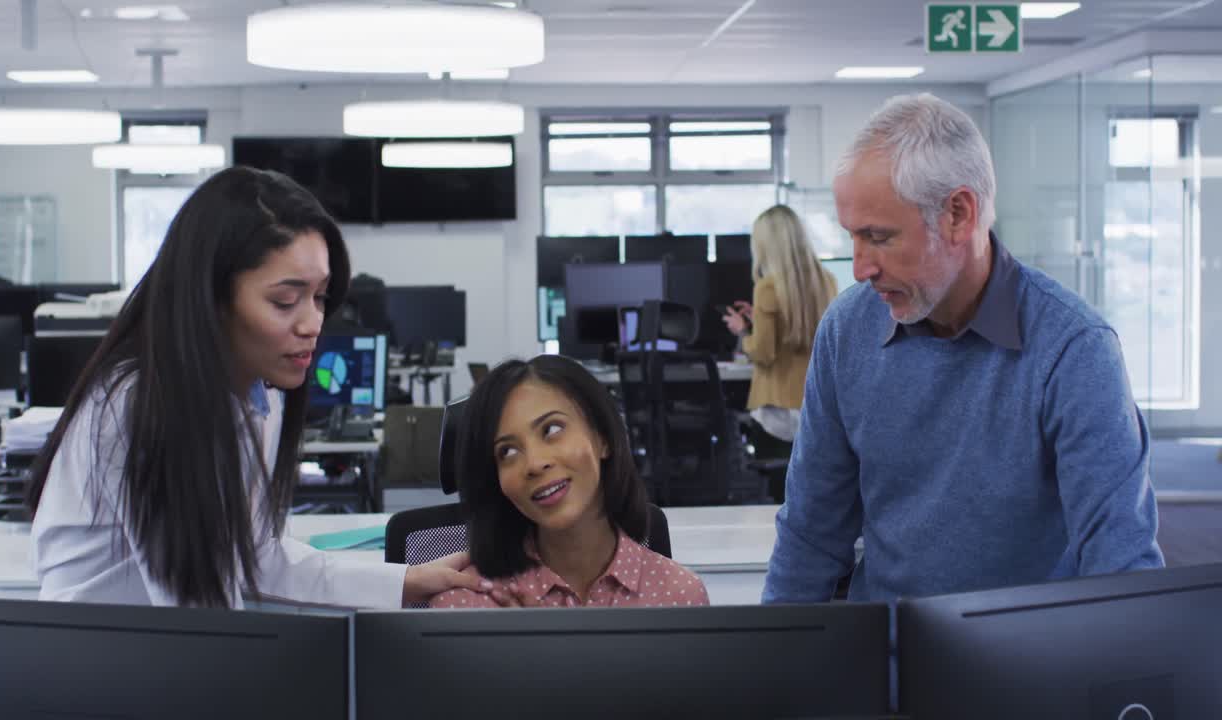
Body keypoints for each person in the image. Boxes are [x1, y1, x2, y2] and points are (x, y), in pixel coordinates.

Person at [27, 166, 491, 609]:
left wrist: (408, 582)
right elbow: (199, 615)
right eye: (285, 300)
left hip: (153, 659)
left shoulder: (259, 393)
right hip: (100, 667)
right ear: (210, 299)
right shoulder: (146, 406)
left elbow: (258, 557)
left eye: (320, 297)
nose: (313, 323)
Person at [763, 93, 1163, 604]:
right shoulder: (848, 329)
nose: (860, 267)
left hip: (1031, 666)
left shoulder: (1074, 350)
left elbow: (1121, 566)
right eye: (852, 238)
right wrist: (776, 677)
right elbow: (812, 533)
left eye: (878, 237)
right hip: (886, 660)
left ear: (958, 213)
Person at [430, 355, 709, 609]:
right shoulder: (467, 602)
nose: (536, 463)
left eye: (552, 429)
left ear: (603, 439)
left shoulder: (679, 596)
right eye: (508, 451)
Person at [724, 205, 839, 445]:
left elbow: (763, 354)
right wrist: (761, 319)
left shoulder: (767, 287)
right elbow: (805, 327)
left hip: (776, 413)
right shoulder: (827, 281)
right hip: (817, 407)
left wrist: (743, 330)